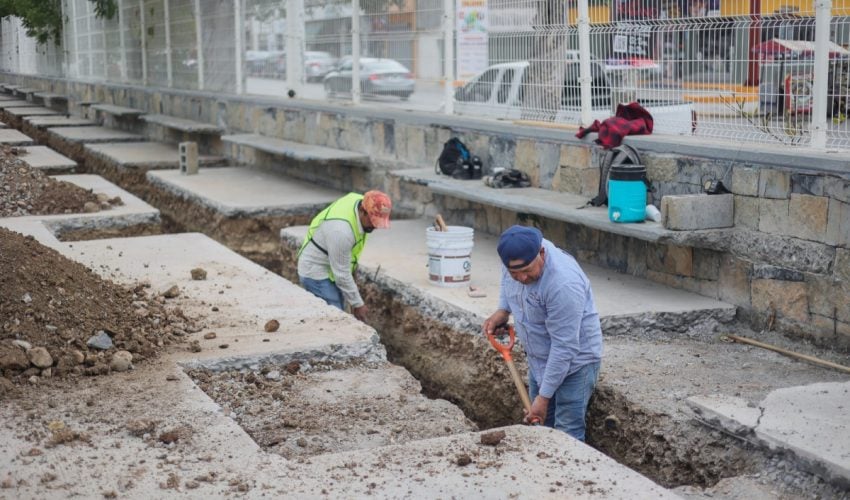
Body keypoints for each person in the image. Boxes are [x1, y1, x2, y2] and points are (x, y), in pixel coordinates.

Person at [482, 225, 603, 441]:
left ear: (542, 253)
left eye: (527, 271)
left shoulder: (563, 284)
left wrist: (544, 397)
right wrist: (503, 309)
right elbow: (507, 280)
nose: (522, 278)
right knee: (541, 428)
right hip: (539, 358)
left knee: (567, 434)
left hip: (575, 363)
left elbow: (564, 347)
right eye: (514, 273)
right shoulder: (514, 258)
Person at [297, 190, 392, 322]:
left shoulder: (361, 201)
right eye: (373, 220)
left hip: (333, 264)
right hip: (316, 272)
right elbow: (341, 274)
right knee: (336, 318)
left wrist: (353, 299)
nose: (375, 226)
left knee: (340, 311)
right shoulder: (341, 232)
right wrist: (358, 304)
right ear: (362, 211)